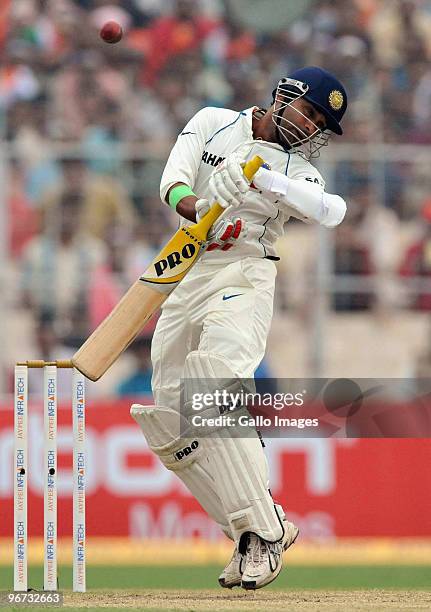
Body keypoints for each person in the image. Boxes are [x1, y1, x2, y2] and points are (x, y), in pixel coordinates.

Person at [131, 66, 348, 590]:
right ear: (285, 95)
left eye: (322, 122)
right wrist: (197, 205)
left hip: (247, 272)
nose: (312, 126)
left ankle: (261, 535)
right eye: (311, 111)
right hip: (188, 266)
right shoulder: (213, 122)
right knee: (170, 421)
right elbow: (172, 182)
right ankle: (259, 528)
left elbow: (330, 211)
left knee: (215, 381)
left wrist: (261, 177)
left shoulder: (299, 169)